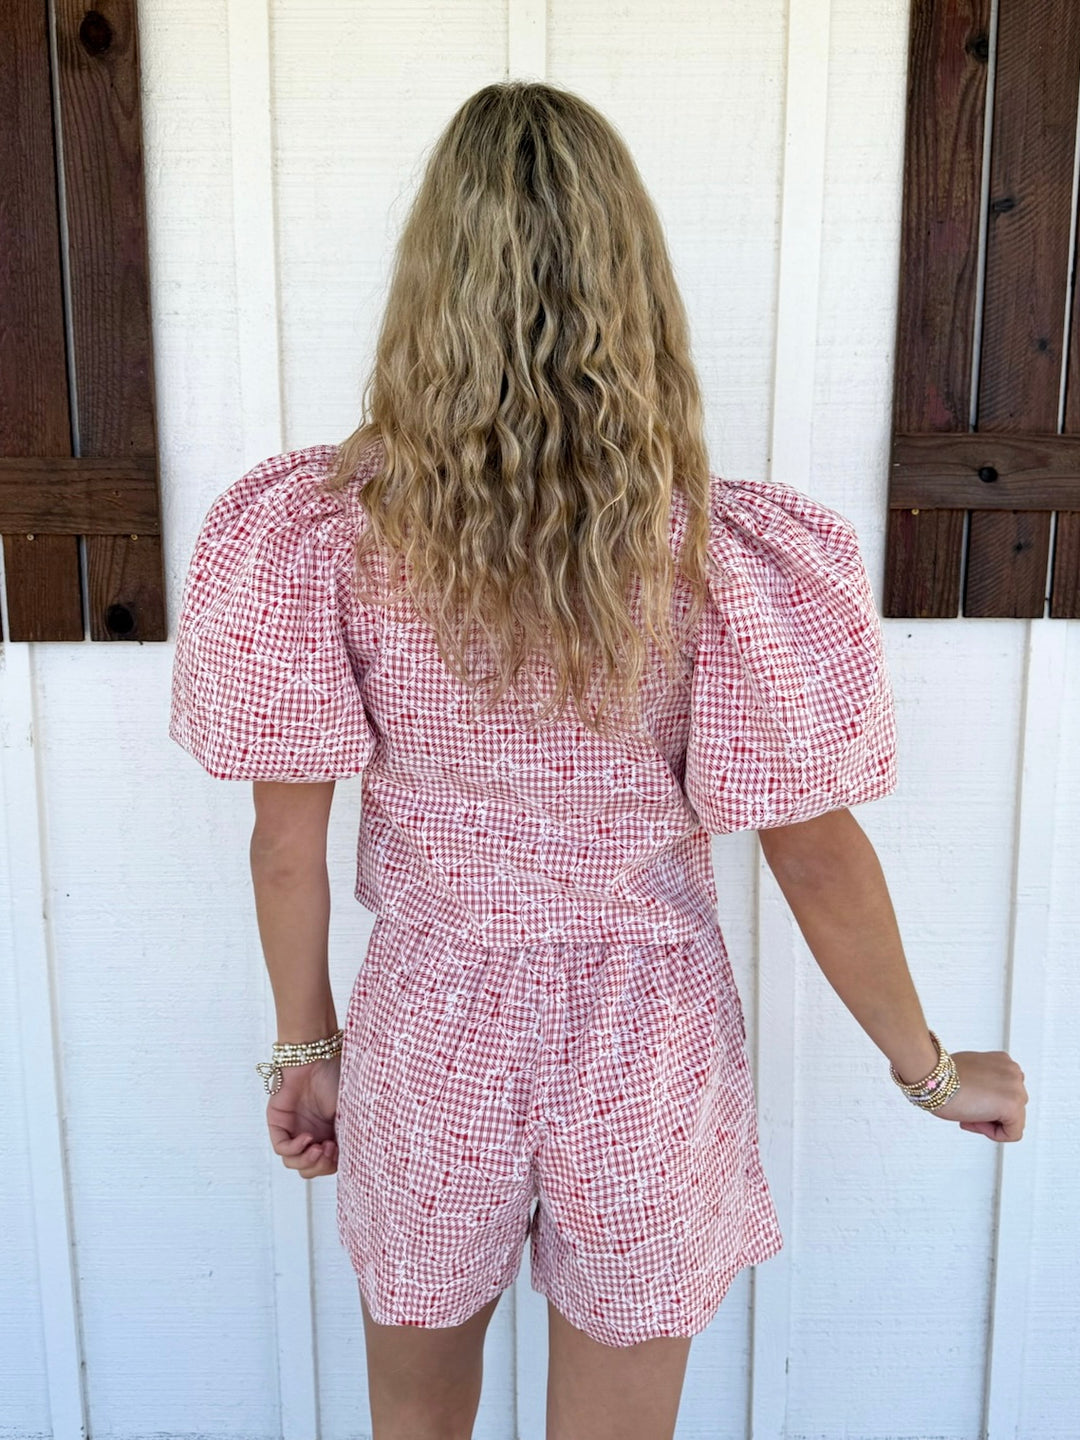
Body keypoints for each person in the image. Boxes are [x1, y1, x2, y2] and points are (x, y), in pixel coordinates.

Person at [168, 79, 1028, 1440]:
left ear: (428, 287)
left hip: (429, 1022)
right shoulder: (717, 558)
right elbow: (813, 852)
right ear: (636, 288)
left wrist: (304, 1047)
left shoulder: (325, 536)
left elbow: (287, 845)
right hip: (648, 1037)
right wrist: (929, 1069)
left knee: (414, 1423)